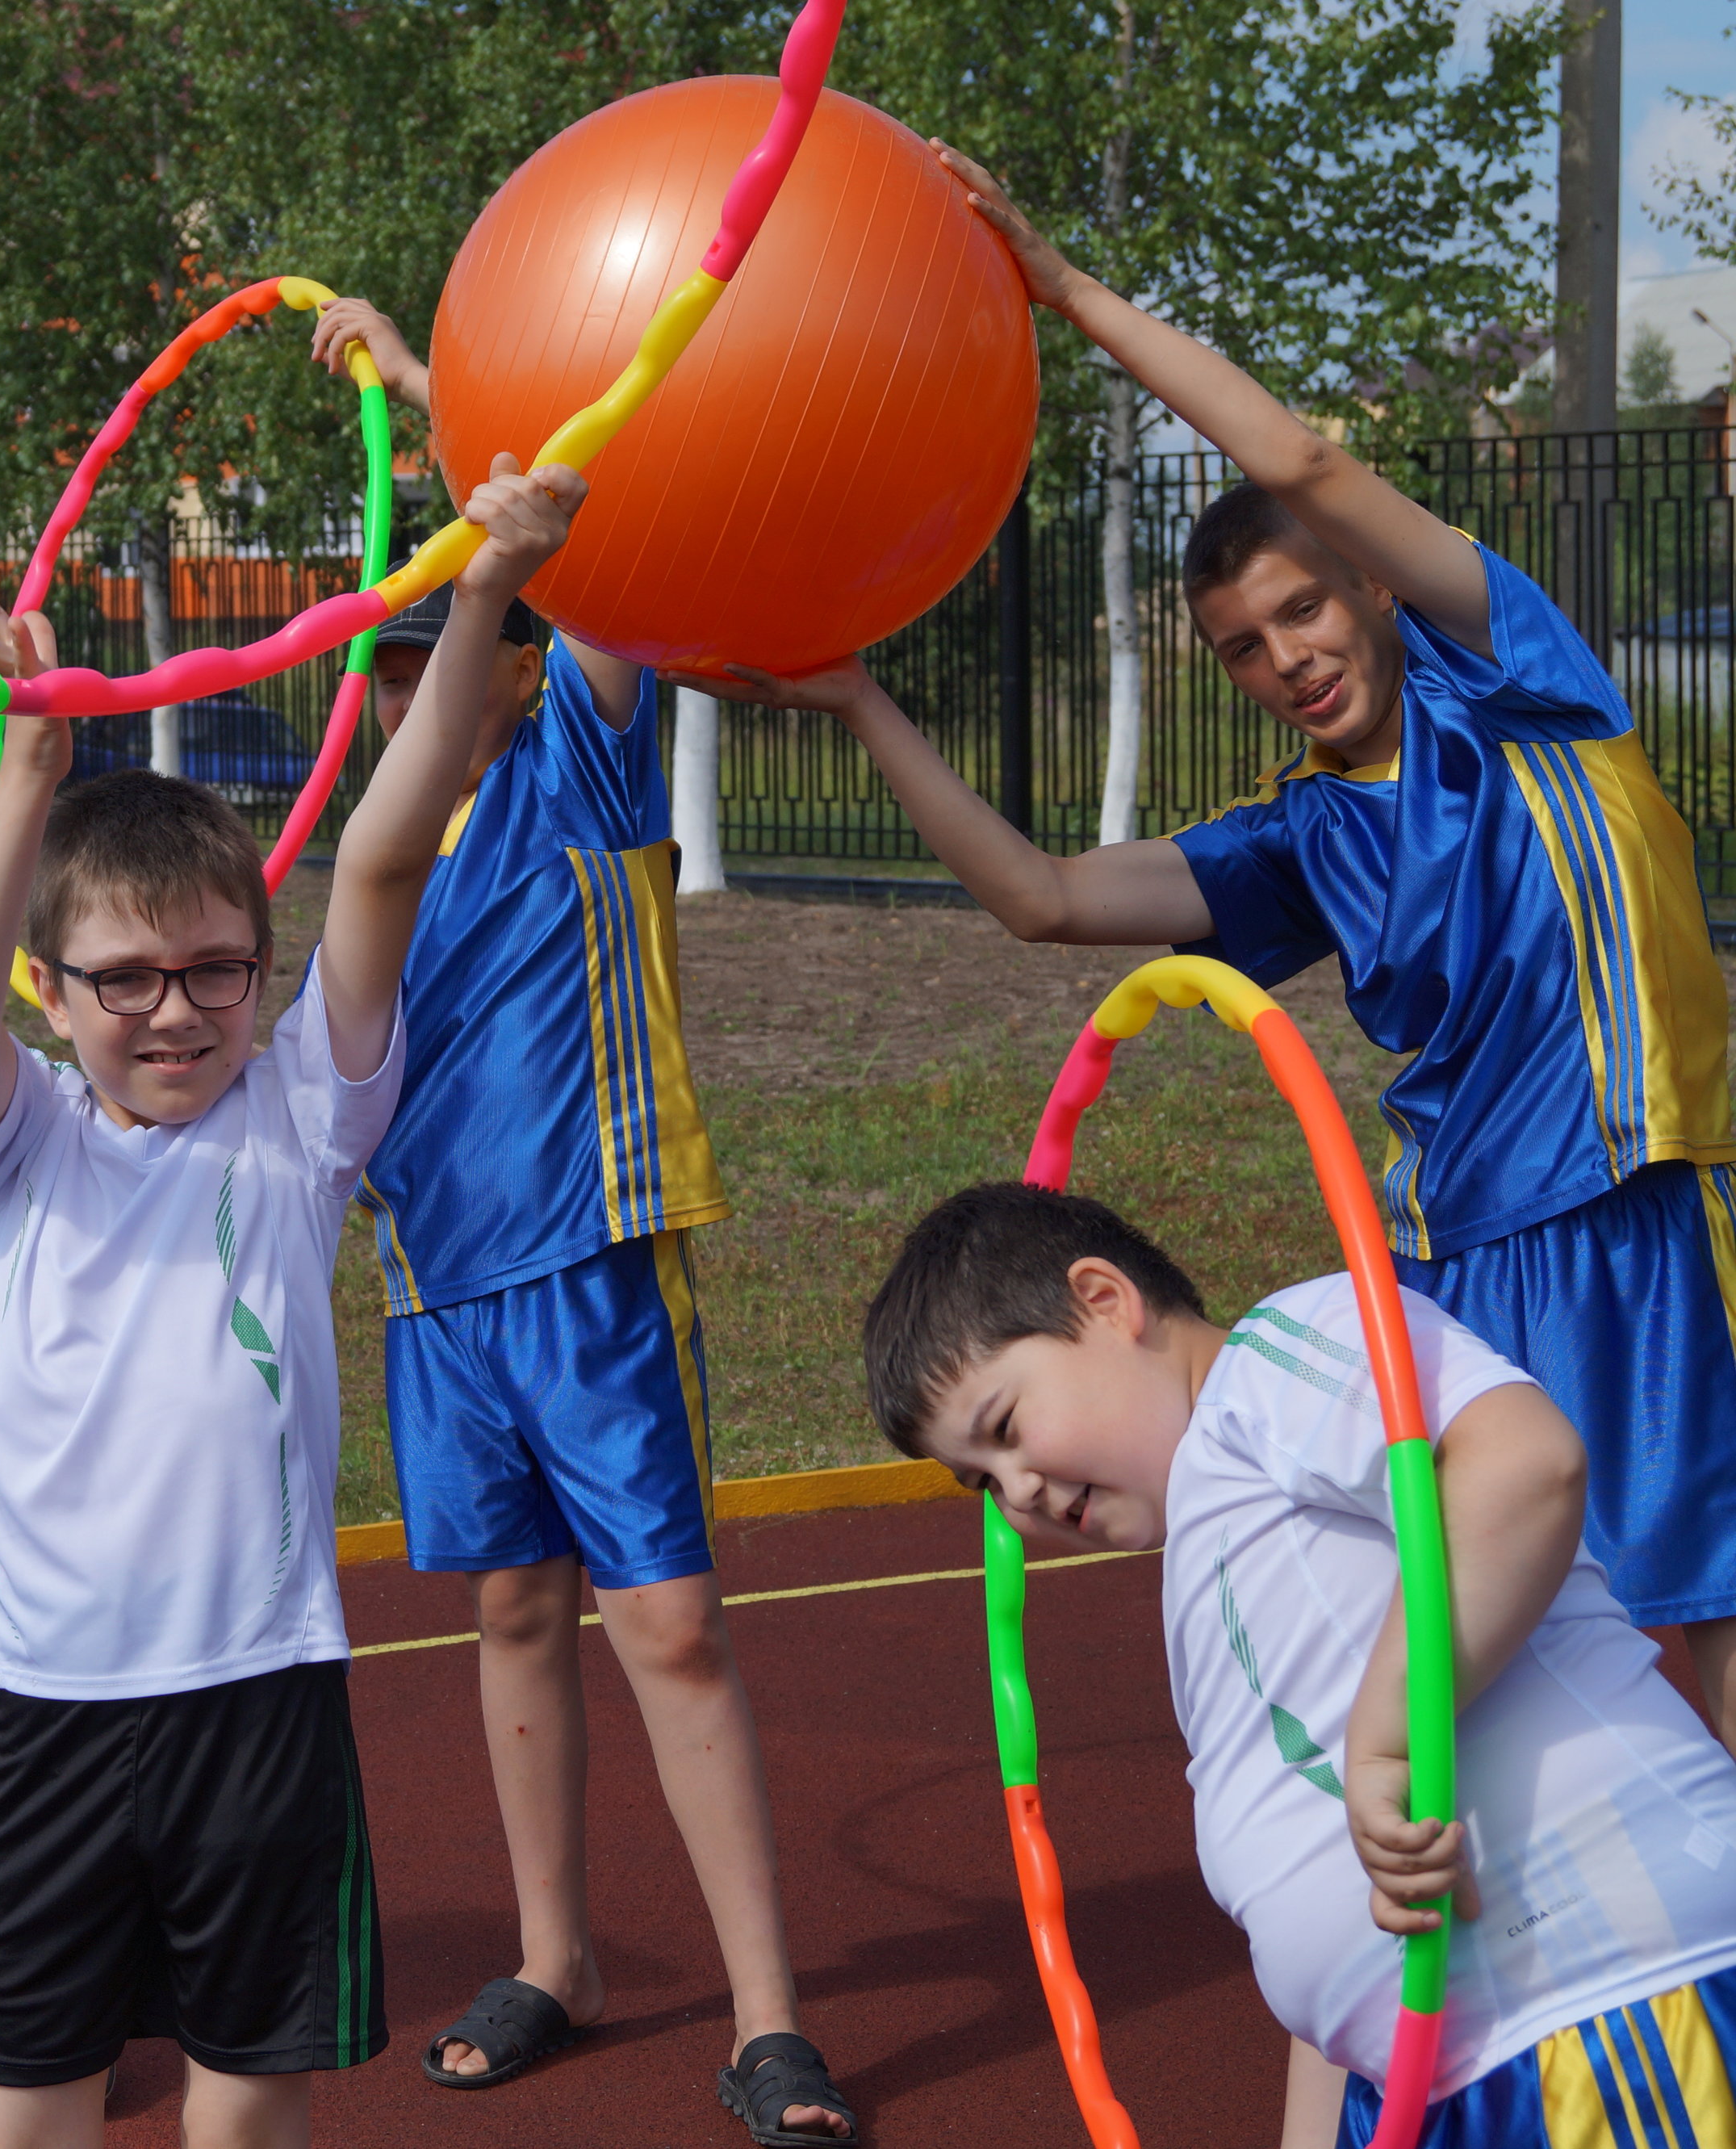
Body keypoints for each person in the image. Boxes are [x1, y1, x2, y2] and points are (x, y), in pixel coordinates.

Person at [675, 156, 1736, 1737]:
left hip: (1641, 1199)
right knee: (1500, 1641)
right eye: (1240, 645)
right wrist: (857, 702)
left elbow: (1294, 449)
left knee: (1707, 1619)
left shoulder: (1517, 682)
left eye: (1300, 610)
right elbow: (1038, 897)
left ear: (1368, 586)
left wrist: (1062, 289)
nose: (1282, 657)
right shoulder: (1296, 835)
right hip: (1462, 1254)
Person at [0, 449, 578, 2147]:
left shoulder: (297, 1113)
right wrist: (29, 766)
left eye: (214, 968)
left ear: (257, 975)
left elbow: (378, 851)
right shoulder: (22, 1141)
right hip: (56, 1701)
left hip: (259, 1689)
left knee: (243, 2096)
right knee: (26, 2097)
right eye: (122, 979)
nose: (173, 1010)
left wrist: (485, 587)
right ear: (51, 993)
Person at [307, 296, 853, 2144]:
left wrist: (411, 384)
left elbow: (593, 507)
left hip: (598, 1270)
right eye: (380, 670)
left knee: (671, 1624)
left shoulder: (582, 765)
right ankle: (560, 1954)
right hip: (443, 1303)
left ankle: (766, 2012)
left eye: (441, 652)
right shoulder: (360, 889)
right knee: (514, 1610)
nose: (411, 691)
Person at [864, 1180, 1736, 2147]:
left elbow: (1522, 1465)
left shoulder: (1273, 1357)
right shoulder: (1211, 1553)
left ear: (1104, 1301)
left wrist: (1386, 1742)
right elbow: (1327, 1899)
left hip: (1605, 1999)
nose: (1015, 1490)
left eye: (1005, 1426)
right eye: (979, 1482)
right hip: (1437, 2080)